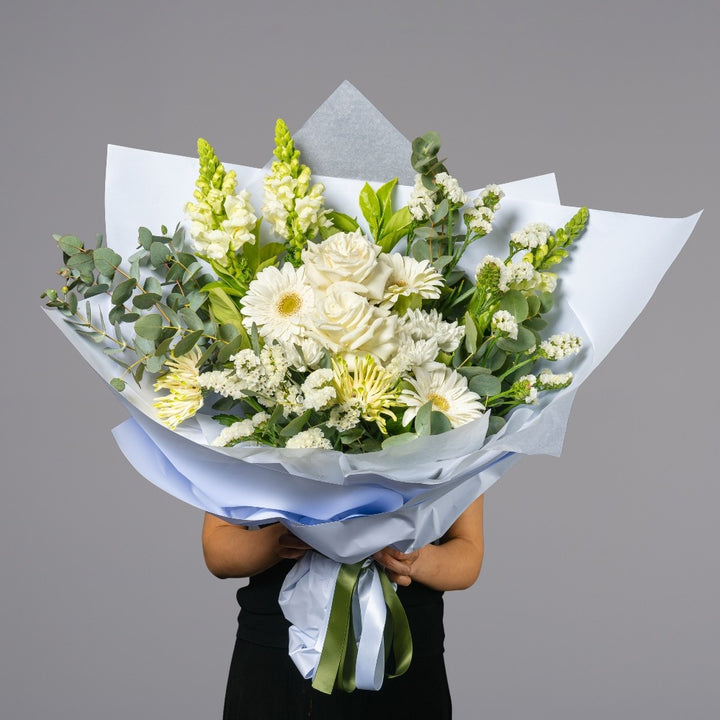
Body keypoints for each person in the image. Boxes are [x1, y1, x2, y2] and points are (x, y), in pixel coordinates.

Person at [202, 495, 485, 720]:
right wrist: (284, 536)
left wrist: (410, 557)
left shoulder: (458, 426)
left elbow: (467, 555)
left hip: (403, 651)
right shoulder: (248, 422)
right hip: (280, 649)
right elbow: (218, 549)